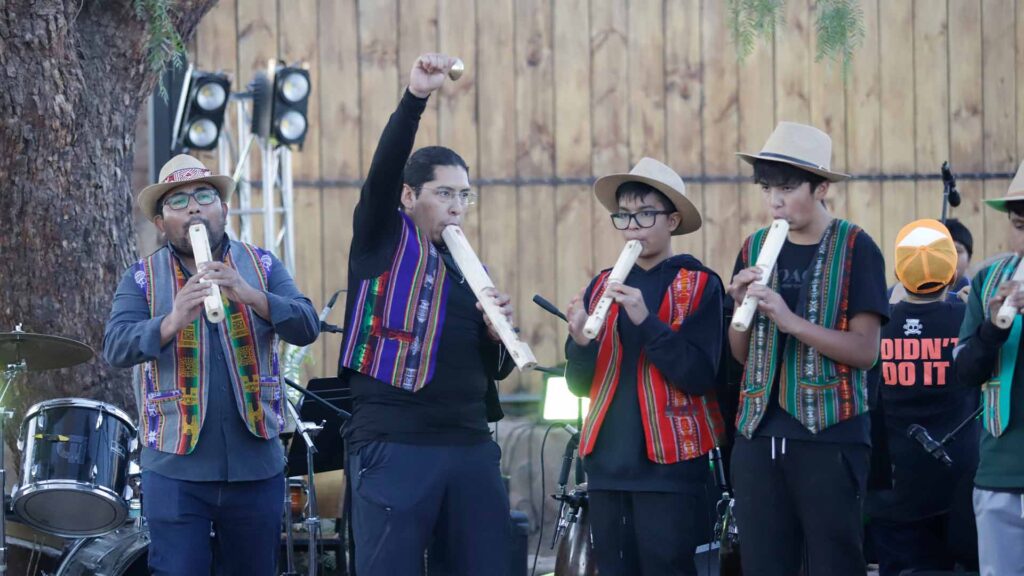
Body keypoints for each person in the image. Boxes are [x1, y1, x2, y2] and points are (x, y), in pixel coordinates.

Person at [338, 53, 515, 575]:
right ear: (410, 195)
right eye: (444, 193)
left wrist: (496, 334)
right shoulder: (381, 239)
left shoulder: (469, 269)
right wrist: (416, 97)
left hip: (470, 444)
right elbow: (383, 170)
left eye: (464, 195)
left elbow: (494, 370)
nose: (456, 206)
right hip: (396, 443)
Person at [103, 154, 320, 575]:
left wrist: (251, 295)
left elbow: (306, 324)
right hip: (175, 467)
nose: (194, 207)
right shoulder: (141, 278)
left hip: (256, 465)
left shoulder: (263, 265)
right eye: (178, 201)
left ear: (225, 209)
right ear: (161, 224)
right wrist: (170, 322)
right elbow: (115, 346)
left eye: (205, 195)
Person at [726, 122, 889, 576]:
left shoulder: (857, 247)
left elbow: (865, 351)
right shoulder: (755, 247)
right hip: (757, 436)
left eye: (787, 187)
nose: (775, 200)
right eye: (767, 189)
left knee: (834, 563)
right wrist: (740, 306)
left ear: (820, 188)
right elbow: (741, 355)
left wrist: (790, 321)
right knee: (762, 564)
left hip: (829, 438)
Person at [564, 158, 725, 576]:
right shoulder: (602, 284)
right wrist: (580, 342)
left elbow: (699, 375)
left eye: (645, 214)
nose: (632, 226)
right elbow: (581, 384)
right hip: (606, 466)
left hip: (669, 466)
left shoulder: (700, 283)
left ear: (672, 220)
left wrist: (646, 320)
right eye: (624, 216)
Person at [868, 219, 978, 576]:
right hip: (959, 483)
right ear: (951, 274)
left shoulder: (875, 327)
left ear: (900, 274)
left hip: (895, 488)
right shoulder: (965, 318)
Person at [954, 160, 1024, 576]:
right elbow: (964, 373)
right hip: (998, 471)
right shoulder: (987, 280)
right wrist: (990, 331)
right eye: (1018, 225)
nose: (1023, 241)